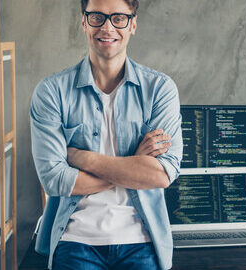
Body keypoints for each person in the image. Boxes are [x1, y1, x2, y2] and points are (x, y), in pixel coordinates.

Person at [29, 0, 182, 269]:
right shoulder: (52, 91)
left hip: (143, 242)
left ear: (133, 24)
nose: (108, 27)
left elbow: (161, 174)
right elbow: (54, 179)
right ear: (84, 22)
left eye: (119, 18)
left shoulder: (160, 89)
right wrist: (134, 164)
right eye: (97, 17)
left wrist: (80, 157)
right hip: (75, 240)